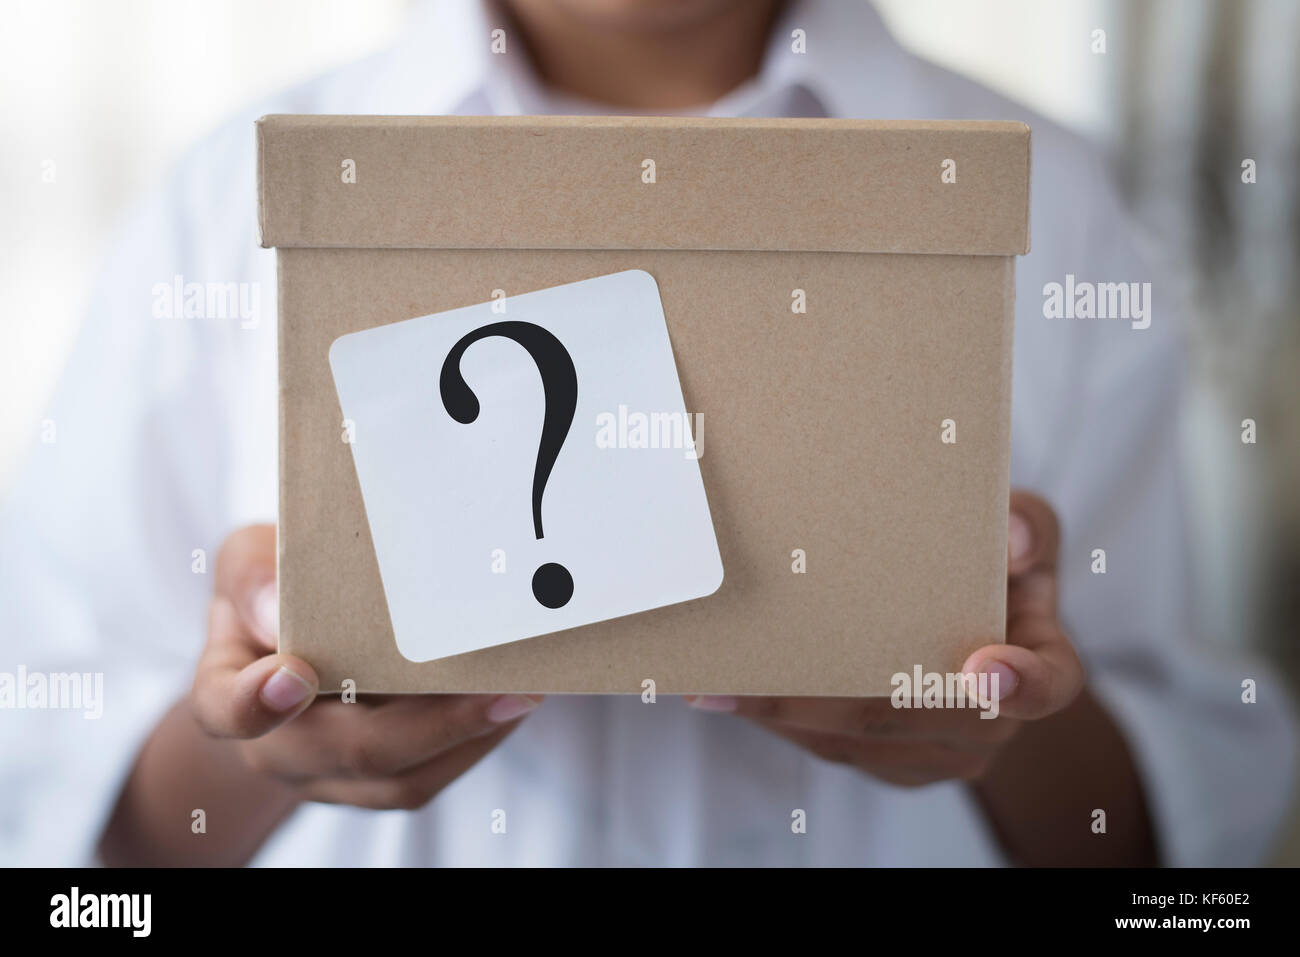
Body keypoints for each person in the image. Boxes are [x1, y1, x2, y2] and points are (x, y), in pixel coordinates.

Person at [2, 0, 1294, 867]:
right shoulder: (227, 200)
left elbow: (1172, 834)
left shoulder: (1052, 203)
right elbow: (67, 824)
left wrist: (1014, 729)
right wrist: (262, 753)